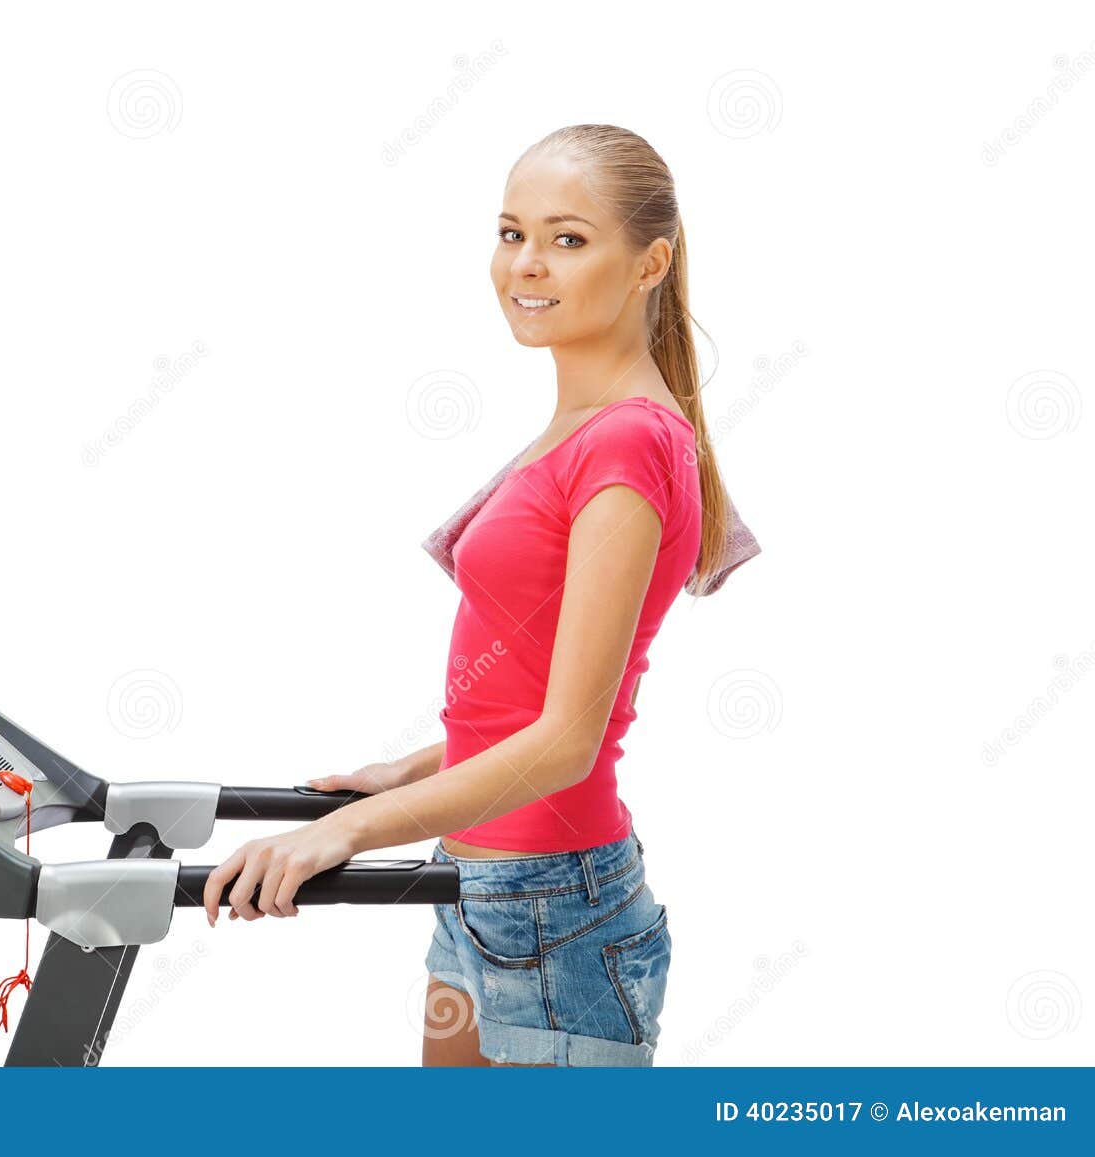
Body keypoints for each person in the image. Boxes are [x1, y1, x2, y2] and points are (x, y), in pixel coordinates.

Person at [203, 124, 741, 1067]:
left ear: (650, 261)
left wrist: (343, 835)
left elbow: (571, 739)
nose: (526, 265)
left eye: (568, 239)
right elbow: (538, 686)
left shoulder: (627, 442)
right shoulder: (580, 424)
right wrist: (415, 771)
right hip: (485, 886)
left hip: (555, 908)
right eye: (510, 232)